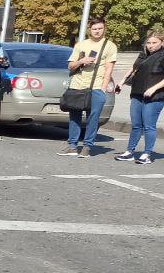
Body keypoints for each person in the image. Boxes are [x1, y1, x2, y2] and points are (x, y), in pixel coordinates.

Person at [60, 15, 118, 158]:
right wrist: (82, 61)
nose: (97, 31)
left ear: (104, 29)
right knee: (74, 116)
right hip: (77, 85)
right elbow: (70, 66)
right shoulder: (81, 45)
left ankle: (87, 146)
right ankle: (72, 146)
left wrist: (103, 89)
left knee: (93, 118)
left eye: (100, 28)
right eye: (94, 29)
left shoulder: (109, 46)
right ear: (89, 30)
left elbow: (109, 69)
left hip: (96, 87)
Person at [115, 27, 164, 164]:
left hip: (155, 96)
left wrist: (153, 88)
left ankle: (147, 154)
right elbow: (134, 67)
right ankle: (129, 152)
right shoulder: (143, 54)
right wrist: (122, 81)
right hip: (137, 92)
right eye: (148, 43)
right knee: (136, 125)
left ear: (162, 42)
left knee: (149, 126)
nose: (150, 46)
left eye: (154, 43)